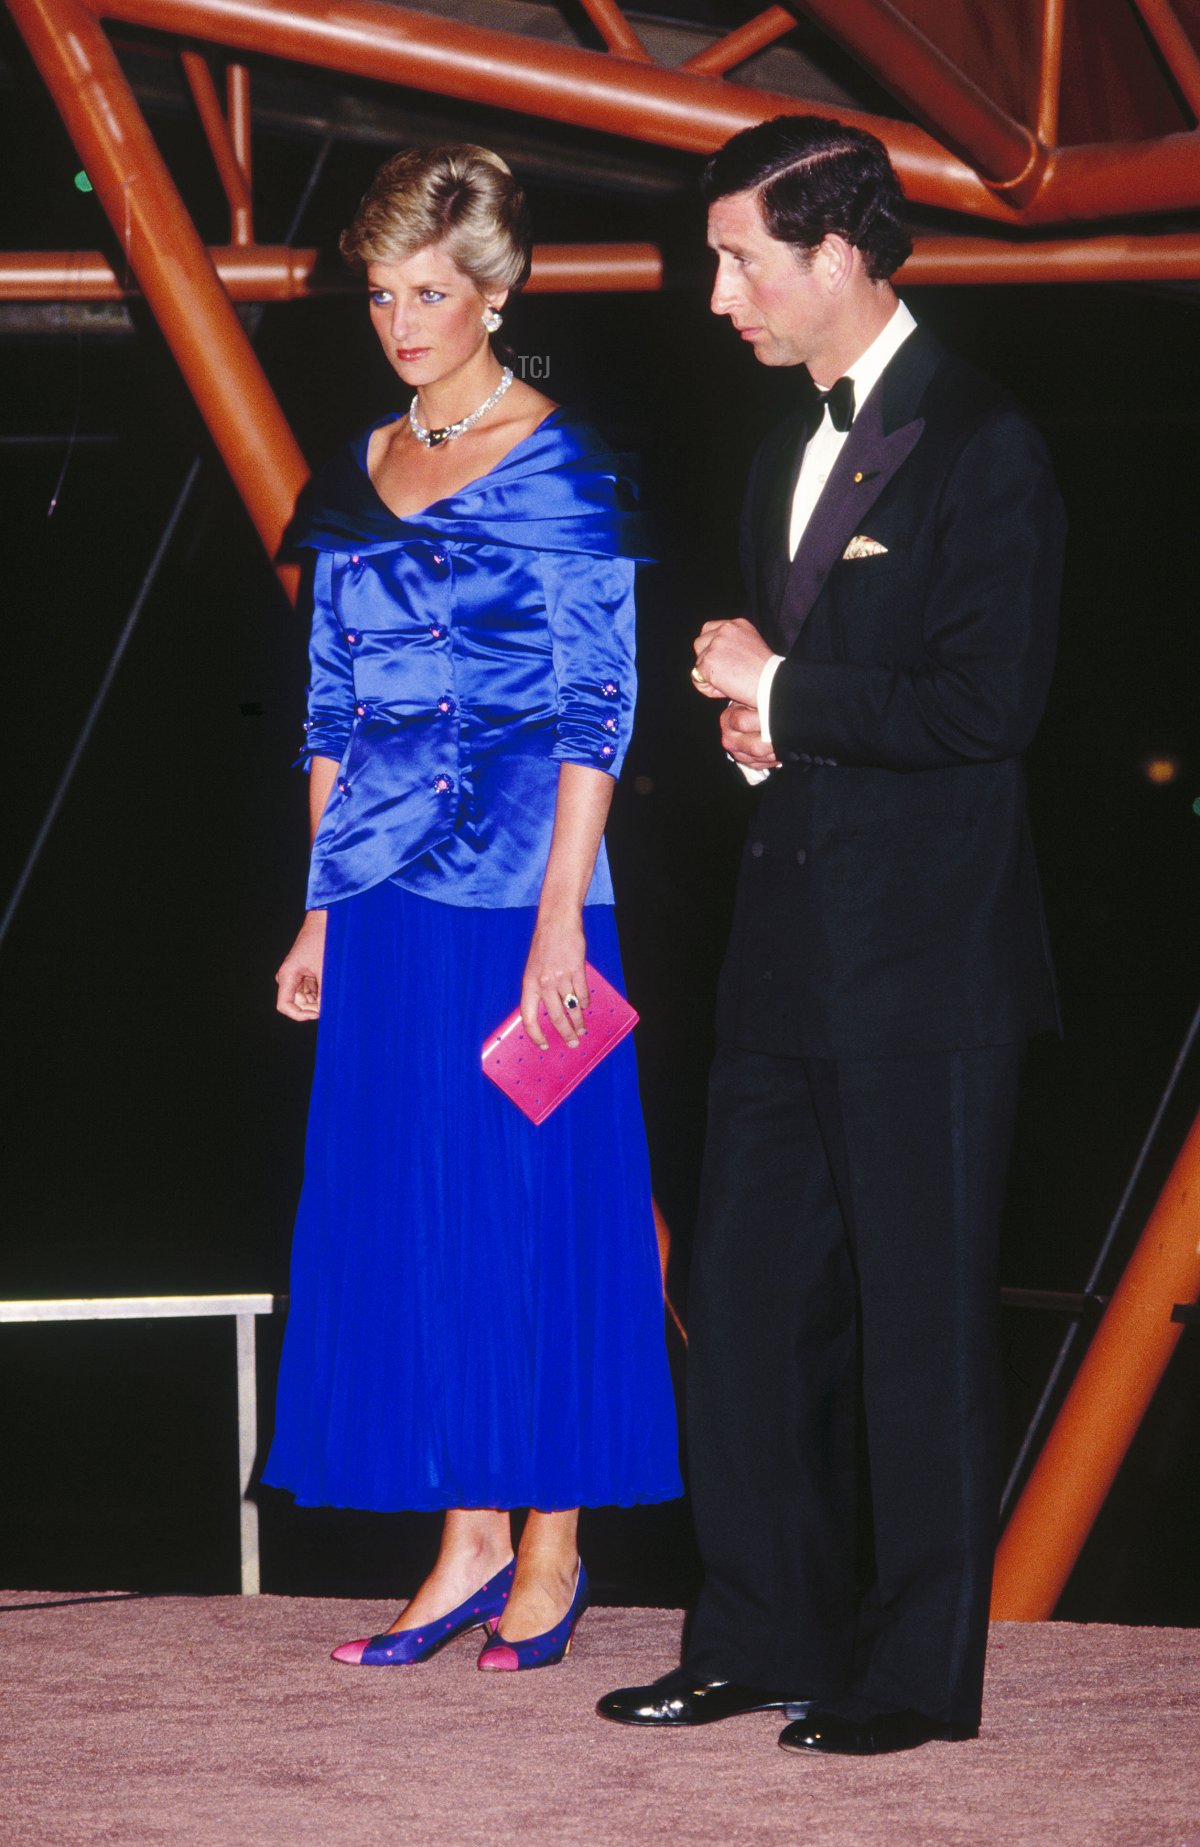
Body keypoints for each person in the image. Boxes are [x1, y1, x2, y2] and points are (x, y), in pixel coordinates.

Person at [599, 116, 1064, 1752]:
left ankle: (915, 1679)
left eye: (741, 256)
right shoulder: (779, 445)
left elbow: (989, 702)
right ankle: (753, 1632)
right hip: (788, 951)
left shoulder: (983, 440)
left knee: (918, 1329)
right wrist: (770, 735)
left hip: (927, 967)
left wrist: (779, 688)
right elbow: (856, 707)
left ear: (844, 253)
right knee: (738, 1303)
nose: (716, 289)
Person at [263, 144, 681, 1671]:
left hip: (528, 898)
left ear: (498, 293)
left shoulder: (567, 466)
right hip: (383, 904)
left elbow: (600, 712)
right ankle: (466, 1541)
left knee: (537, 1212)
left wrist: (566, 920)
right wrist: (318, 915)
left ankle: (554, 1550)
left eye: (431, 293)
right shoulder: (360, 462)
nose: (402, 321)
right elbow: (330, 710)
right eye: (382, 293)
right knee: (413, 1217)